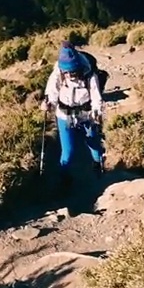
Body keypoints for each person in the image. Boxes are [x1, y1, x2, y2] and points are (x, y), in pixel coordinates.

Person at [41, 41, 105, 185]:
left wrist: (97, 111)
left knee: (94, 143)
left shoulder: (89, 74)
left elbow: (96, 96)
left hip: (86, 115)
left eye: (73, 72)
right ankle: (64, 176)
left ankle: (97, 165)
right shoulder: (58, 72)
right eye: (66, 72)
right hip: (64, 115)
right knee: (68, 151)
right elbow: (52, 91)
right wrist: (49, 103)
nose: (69, 75)